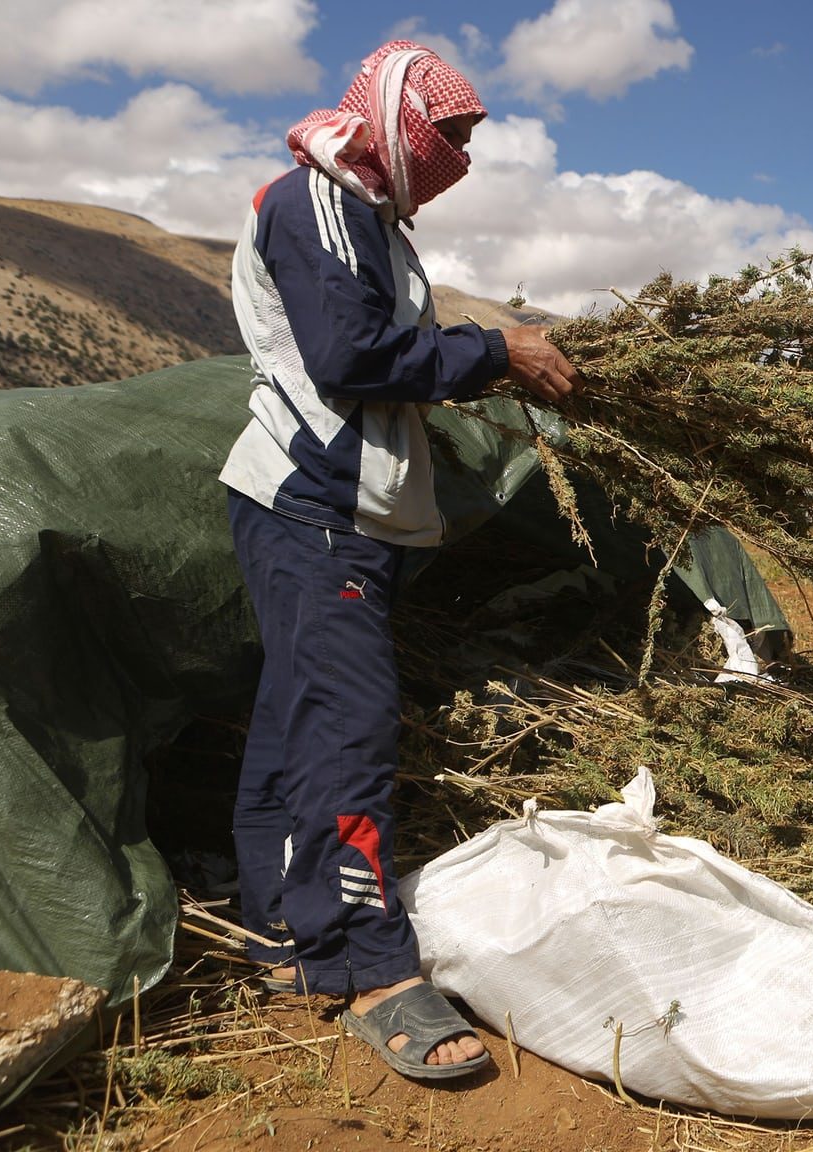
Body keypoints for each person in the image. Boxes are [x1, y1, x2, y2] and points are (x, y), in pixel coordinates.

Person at [221, 40, 581, 1081]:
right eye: (448, 136)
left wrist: (484, 352)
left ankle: (287, 939)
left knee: (298, 716)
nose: (458, 157)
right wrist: (496, 352)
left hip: (333, 512)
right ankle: (371, 971)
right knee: (351, 729)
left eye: (469, 141)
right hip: (313, 506)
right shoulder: (318, 202)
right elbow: (350, 357)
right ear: (389, 120)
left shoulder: (369, 213)